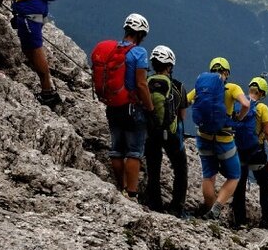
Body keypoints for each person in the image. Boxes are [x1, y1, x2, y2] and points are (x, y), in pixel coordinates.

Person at [91, 14, 152, 196]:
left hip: (113, 105)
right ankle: (131, 193)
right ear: (140, 34)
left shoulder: (112, 49)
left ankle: (121, 187)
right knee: (134, 152)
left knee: (116, 149)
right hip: (132, 108)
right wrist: (150, 108)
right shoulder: (139, 53)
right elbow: (141, 84)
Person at [186, 57, 247, 219]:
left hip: (203, 138)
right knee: (234, 175)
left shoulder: (202, 87)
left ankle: (209, 210)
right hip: (224, 140)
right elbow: (246, 104)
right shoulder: (232, 88)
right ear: (227, 72)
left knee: (208, 176)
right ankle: (217, 208)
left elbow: (184, 101)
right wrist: (239, 117)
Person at [142, 46, 186, 215]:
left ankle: (155, 204)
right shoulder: (178, 86)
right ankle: (176, 207)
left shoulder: (146, 82)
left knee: (153, 169)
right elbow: (182, 115)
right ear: (170, 66)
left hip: (151, 132)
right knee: (180, 169)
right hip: (171, 134)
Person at [229, 75, 268, 229]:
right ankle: (267, 220)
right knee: (264, 186)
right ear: (262, 93)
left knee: (240, 186)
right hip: (257, 152)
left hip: (239, 151)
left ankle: (240, 221)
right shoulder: (262, 108)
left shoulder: (239, 103)